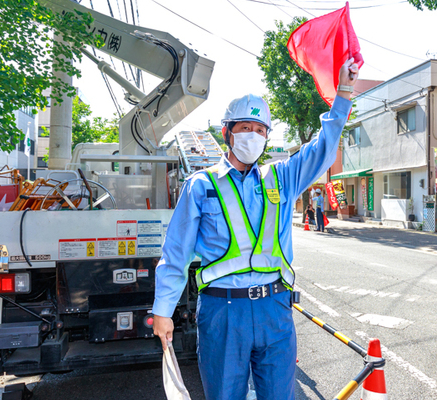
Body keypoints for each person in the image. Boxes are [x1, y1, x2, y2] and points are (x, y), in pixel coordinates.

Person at [153, 58, 360, 399]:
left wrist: (344, 93)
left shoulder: (282, 177)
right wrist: (163, 310)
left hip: (275, 309)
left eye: (260, 130)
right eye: (244, 128)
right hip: (222, 313)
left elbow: (323, 148)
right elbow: (176, 252)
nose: (253, 135)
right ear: (227, 133)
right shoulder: (201, 185)